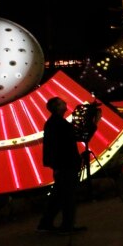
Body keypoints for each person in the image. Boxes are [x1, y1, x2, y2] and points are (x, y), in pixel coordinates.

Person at [37, 96, 87, 234]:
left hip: (60, 165)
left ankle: (46, 224)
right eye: (62, 103)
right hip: (66, 164)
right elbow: (80, 136)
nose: (65, 104)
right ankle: (67, 226)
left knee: (58, 195)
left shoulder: (53, 123)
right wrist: (93, 122)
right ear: (57, 107)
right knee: (68, 196)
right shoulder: (60, 124)